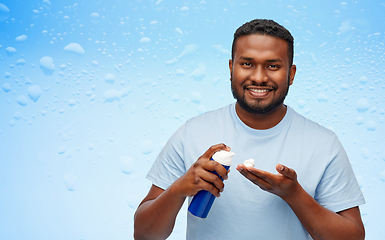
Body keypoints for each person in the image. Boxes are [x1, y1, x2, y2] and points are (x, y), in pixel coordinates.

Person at [134, 19, 365, 240]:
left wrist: (294, 195)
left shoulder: (323, 144)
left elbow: (353, 237)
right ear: (231, 68)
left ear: (291, 74)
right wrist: (177, 190)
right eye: (247, 64)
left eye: (273, 66)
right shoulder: (192, 132)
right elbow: (144, 235)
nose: (259, 77)